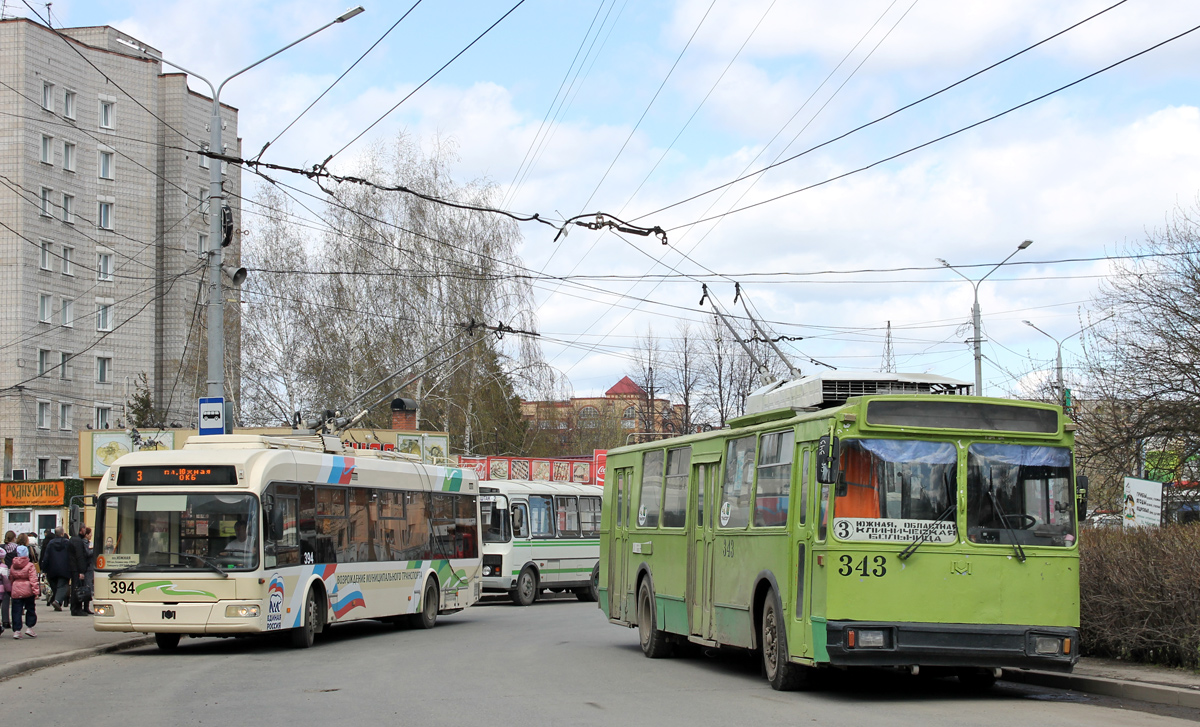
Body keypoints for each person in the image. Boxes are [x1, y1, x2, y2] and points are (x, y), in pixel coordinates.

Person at [9, 544, 38, 638]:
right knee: (30, 608)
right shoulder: (30, 565)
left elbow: (11, 578)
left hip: (16, 589)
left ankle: (17, 630)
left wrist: (12, 587)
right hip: (28, 589)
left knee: (16, 610)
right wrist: (36, 591)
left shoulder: (13, 565)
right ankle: (29, 627)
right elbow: (33, 579)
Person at [40, 527, 72, 611]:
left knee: (55, 586)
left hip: (52, 569)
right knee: (62, 586)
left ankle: (57, 601)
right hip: (64, 568)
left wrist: (44, 568)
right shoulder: (67, 543)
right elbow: (71, 556)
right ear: (62, 533)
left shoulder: (50, 543)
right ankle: (57, 601)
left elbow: (46, 557)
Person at [68, 526, 92, 616]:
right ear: (81, 530)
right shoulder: (78, 541)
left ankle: (77, 608)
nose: (85, 531)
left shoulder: (74, 540)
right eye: (84, 529)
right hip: (77, 569)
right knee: (77, 589)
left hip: (74, 568)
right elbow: (80, 557)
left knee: (76, 588)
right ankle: (76, 609)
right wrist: (81, 571)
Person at [1, 530, 16, 631]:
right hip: (14, 573)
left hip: (4, 572)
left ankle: (5, 620)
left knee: (5, 599)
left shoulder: (2, 548)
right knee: (13, 598)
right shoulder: (16, 548)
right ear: (14, 538)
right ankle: (13, 621)